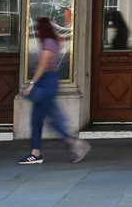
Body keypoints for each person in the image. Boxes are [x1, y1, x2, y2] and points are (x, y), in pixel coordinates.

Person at [19, 16, 89, 165]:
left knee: (52, 120)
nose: (36, 31)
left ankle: (75, 144)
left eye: (37, 28)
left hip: (46, 83)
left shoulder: (48, 43)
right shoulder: (53, 41)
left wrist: (31, 84)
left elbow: (43, 65)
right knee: (37, 120)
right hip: (48, 82)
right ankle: (35, 153)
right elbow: (62, 40)